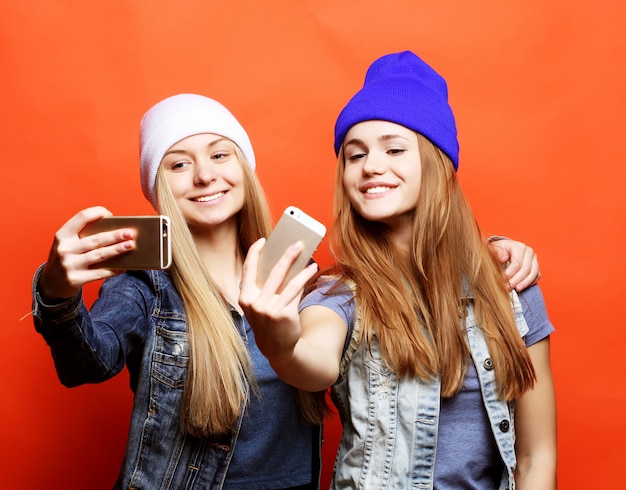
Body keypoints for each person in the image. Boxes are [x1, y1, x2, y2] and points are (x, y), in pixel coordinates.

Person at [239, 51, 556, 489]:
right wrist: (279, 344)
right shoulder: (339, 295)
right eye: (355, 155)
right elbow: (314, 362)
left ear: (436, 160)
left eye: (393, 148)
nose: (370, 166)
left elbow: (536, 455)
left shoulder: (511, 289)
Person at [31, 94, 320, 489]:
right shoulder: (145, 289)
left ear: (244, 167)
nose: (204, 176)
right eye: (179, 164)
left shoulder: (297, 280)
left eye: (219, 156)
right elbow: (87, 363)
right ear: (158, 187)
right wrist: (56, 292)